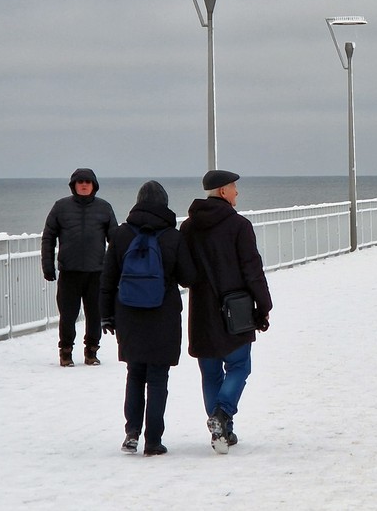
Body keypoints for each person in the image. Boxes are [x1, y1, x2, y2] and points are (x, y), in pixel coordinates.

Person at [99, 181, 196, 457]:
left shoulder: (120, 235)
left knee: (134, 374)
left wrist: (106, 315)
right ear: (164, 204)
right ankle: (153, 441)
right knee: (157, 379)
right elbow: (189, 277)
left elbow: (108, 279)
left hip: (128, 314)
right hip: (163, 315)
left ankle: (131, 433)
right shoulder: (173, 237)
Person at [181, 170, 274, 454]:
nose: (236, 193)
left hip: (202, 311)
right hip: (236, 309)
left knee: (210, 373)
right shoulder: (239, 226)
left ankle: (222, 432)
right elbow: (252, 269)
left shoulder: (187, 228)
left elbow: (184, 275)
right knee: (239, 366)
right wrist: (264, 305)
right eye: (233, 188)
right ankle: (222, 415)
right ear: (222, 191)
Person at [42, 168, 118, 367]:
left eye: (88, 181)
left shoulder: (104, 208)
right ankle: (65, 352)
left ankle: (91, 352)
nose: (84, 184)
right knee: (68, 315)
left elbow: (116, 241)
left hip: (97, 272)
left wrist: (115, 269)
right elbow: (48, 237)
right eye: (80, 181)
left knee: (95, 315)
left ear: (94, 185)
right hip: (69, 272)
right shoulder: (61, 207)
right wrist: (48, 266)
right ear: (74, 185)